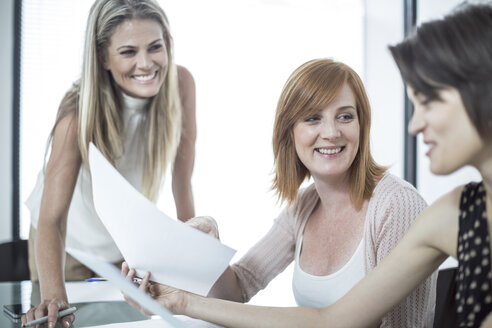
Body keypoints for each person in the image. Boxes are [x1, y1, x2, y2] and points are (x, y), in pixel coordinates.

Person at [124, 2, 492, 327]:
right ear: (290, 132)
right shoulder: (307, 206)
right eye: (313, 119)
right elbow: (244, 289)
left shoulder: (399, 205)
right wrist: (200, 257)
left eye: (345, 117)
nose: (330, 132)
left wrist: (187, 302)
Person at [22, 0, 196, 327]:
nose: (145, 64)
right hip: (66, 243)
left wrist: (194, 264)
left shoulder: (181, 84)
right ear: (103, 56)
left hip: (121, 244)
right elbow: (52, 219)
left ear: (167, 43)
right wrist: (54, 298)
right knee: (61, 318)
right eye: (128, 52)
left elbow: (181, 183)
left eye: (154, 47)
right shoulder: (76, 114)